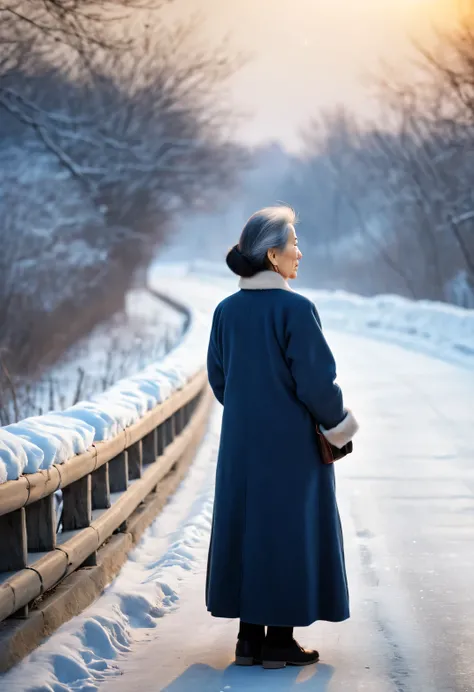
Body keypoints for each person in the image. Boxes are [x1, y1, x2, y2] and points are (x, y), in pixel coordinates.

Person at [205, 205, 358, 669]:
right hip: (292, 447)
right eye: (292, 245)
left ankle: (248, 640)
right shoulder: (296, 309)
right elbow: (317, 382)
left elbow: (219, 379)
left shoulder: (226, 310)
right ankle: (279, 640)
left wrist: (253, 409)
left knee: (249, 528)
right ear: (273, 256)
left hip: (241, 446)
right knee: (288, 532)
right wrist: (338, 424)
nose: (299, 253)